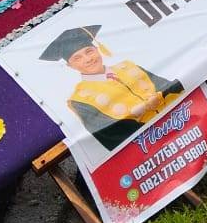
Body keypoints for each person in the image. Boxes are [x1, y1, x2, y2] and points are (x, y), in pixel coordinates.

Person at [38, 24, 183, 151]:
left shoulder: (129, 67)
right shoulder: (80, 100)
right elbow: (113, 136)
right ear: (70, 66)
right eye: (77, 58)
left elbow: (171, 88)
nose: (88, 59)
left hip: (182, 118)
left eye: (89, 51)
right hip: (154, 144)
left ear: (98, 49)